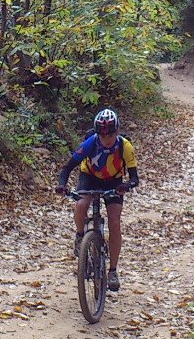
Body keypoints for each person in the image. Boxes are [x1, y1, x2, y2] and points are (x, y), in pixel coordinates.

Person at [55, 108, 138, 292]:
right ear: (97, 133)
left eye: (110, 135)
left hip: (114, 180)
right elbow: (68, 167)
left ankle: (113, 270)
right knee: (81, 204)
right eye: (102, 135)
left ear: (117, 131)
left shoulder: (125, 146)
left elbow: (134, 178)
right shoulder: (90, 143)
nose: (106, 139)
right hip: (90, 177)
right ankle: (80, 236)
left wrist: (126, 185)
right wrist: (62, 185)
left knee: (114, 222)